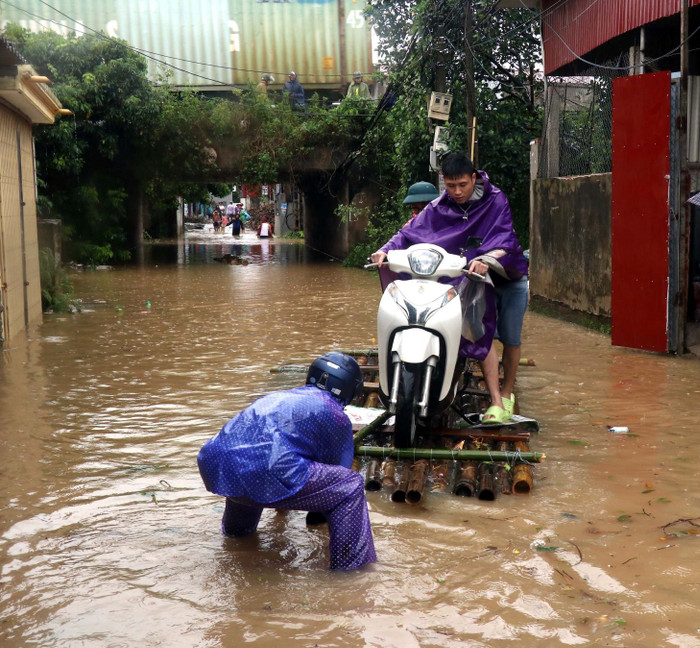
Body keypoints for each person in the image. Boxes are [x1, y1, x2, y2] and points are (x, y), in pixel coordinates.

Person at [370, 153, 528, 424]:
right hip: (472, 276)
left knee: (510, 337)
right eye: (451, 185)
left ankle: (504, 393)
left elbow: (504, 238)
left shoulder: (496, 200)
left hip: (507, 276)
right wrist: (384, 250)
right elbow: (408, 233)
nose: (456, 192)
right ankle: (485, 396)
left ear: (474, 178)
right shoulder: (438, 206)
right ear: (444, 182)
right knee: (476, 329)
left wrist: (486, 259)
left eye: (463, 185)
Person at [197, 352, 376, 571]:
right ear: (351, 389)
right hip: (266, 469)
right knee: (350, 485)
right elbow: (337, 471)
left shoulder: (277, 397)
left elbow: (254, 446)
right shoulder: (334, 413)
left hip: (215, 461)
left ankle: (236, 539)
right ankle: (351, 571)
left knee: (247, 466)